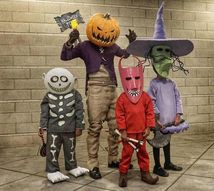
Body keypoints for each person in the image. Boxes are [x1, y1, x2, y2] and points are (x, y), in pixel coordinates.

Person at [60, 12, 136, 179]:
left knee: (115, 127)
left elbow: (125, 54)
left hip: (112, 89)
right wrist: (71, 41)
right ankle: (93, 164)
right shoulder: (85, 46)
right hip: (95, 89)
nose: (104, 34)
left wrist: (132, 43)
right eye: (101, 29)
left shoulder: (112, 46)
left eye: (109, 31)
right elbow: (65, 56)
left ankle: (113, 158)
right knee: (95, 127)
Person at [126, 2, 194, 177]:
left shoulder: (172, 84)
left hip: (170, 121)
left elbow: (178, 98)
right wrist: (155, 119)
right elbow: (151, 102)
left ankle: (168, 162)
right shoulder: (154, 85)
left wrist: (178, 114)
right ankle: (157, 165)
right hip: (159, 122)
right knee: (157, 142)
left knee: (167, 140)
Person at [38, 68, 88, 183]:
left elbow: (80, 111)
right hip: (53, 129)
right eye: (55, 80)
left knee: (70, 148)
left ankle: (72, 166)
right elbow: (44, 112)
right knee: (52, 150)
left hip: (70, 128)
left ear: (73, 81)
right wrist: (42, 127)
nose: (59, 83)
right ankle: (52, 170)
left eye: (63, 80)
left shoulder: (76, 94)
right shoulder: (48, 96)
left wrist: (79, 126)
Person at [115, 57, 159, 187]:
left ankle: (145, 173)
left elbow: (150, 112)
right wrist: (122, 131)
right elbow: (120, 115)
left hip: (141, 132)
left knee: (143, 153)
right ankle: (123, 174)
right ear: (124, 79)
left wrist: (149, 127)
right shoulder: (122, 99)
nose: (133, 82)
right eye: (128, 79)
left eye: (136, 78)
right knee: (126, 154)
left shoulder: (145, 97)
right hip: (128, 134)